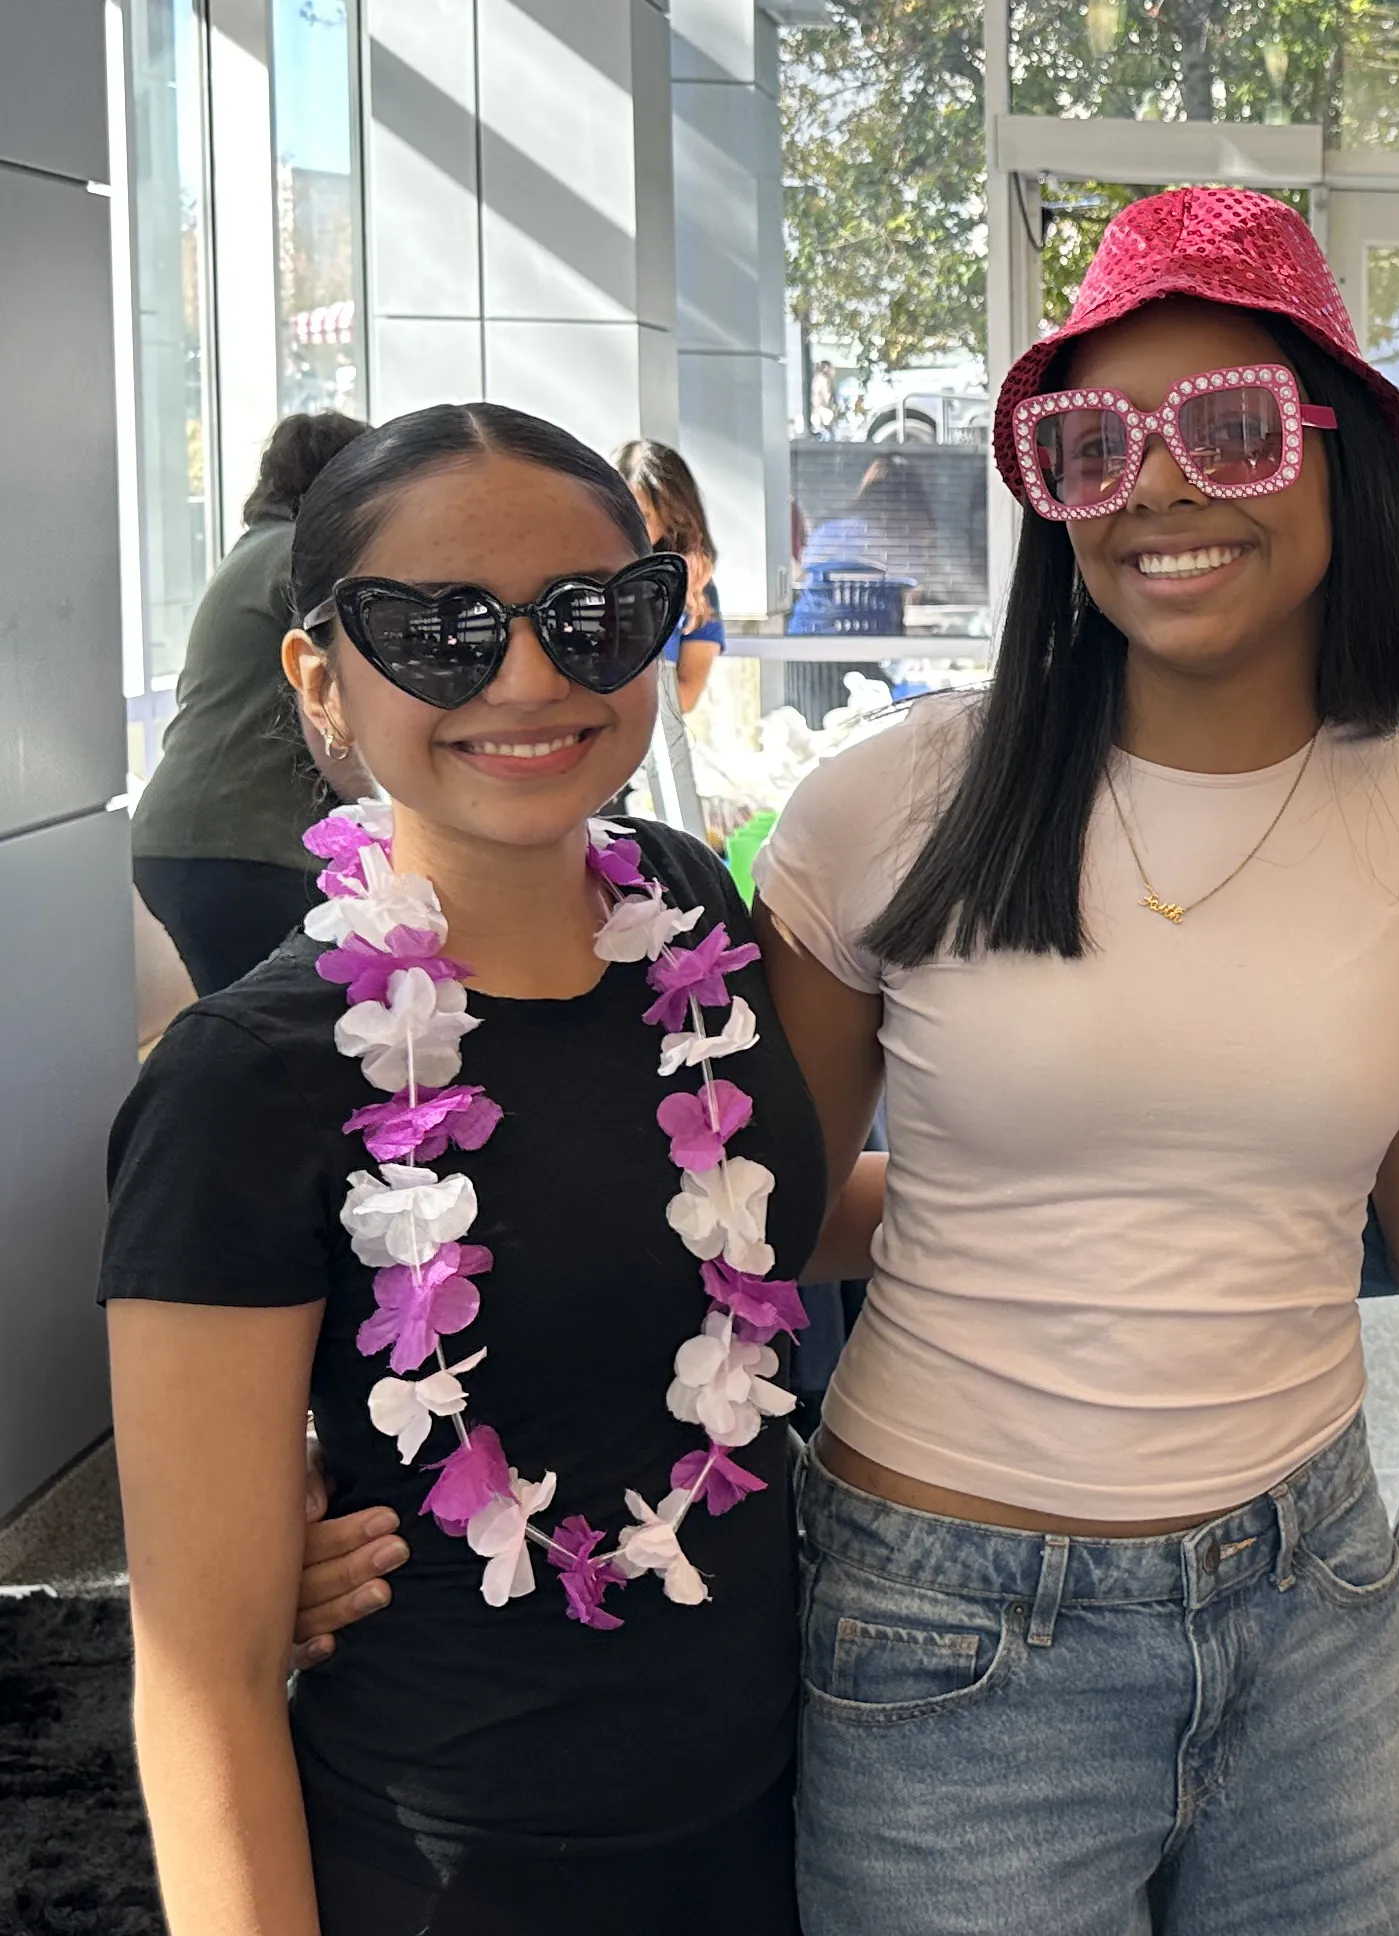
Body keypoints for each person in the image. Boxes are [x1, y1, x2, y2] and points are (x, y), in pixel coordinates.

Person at [756, 187, 1399, 1933]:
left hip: (1312, 1592)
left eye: (1232, 429)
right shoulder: (889, 804)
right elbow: (766, 1219)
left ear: (1337, 463)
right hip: (952, 1617)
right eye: (1091, 444)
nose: (1161, 487)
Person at [104, 401, 854, 1933]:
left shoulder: (692, 913)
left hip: (780, 1813)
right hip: (455, 1866)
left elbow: (739, 1242)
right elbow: (207, 1677)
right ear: (319, 675)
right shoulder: (245, 1086)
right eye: (438, 631)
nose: (526, 678)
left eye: (592, 619)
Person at [131, 411, 373, 994]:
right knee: (274, 1045)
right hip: (241, 852)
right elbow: (327, 716)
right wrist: (383, 814)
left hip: (186, 842)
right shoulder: (302, 559)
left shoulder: (255, 549)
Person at [614, 439, 727, 712]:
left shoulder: (695, 590)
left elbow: (686, 697)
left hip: (652, 738)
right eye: (619, 513)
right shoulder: (581, 576)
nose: (629, 528)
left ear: (670, 518)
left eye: (643, 517)